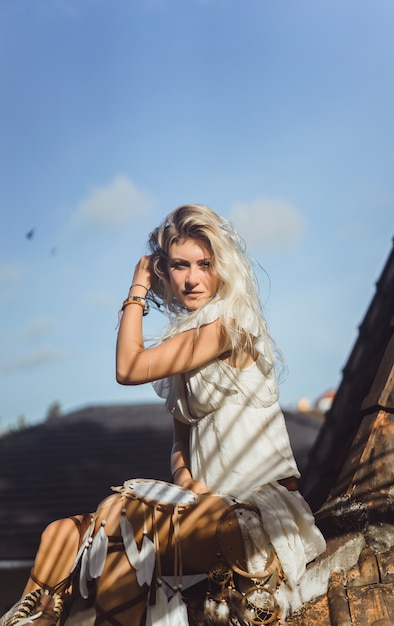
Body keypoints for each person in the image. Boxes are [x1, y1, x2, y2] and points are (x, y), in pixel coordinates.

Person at [1, 204, 325, 626]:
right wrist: (187, 481)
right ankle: (37, 614)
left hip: (256, 516)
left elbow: (128, 368)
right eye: (179, 265)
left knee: (122, 514)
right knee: (60, 532)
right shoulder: (186, 341)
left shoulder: (230, 326)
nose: (191, 278)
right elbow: (181, 440)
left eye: (204, 264)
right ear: (166, 271)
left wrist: (137, 288)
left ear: (222, 267)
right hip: (204, 508)